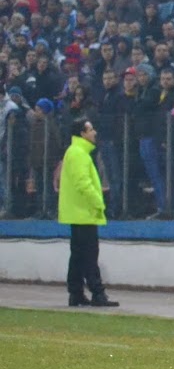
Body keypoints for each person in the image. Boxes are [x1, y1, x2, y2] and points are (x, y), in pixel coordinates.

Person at [58, 118, 116, 308]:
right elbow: (83, 183)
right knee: (89, 254)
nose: (94, 132)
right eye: (90, 130)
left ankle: (75, 293)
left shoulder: (74, 151)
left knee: (77, 254)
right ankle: (97, 293)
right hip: (84, 212)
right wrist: (99, 203)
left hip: (77, 212)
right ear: (82, 133)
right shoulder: (79, 154)